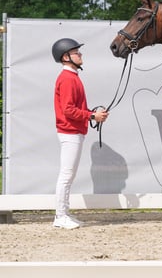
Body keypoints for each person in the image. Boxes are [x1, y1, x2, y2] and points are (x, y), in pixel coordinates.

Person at [51, 38, 109, 229]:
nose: (80, 55)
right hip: (70, 131)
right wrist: (92, 116)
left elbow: (74, 108)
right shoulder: (68, 79)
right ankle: (60, 216)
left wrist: (93, 114)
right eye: (76, 53)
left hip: (73, 131)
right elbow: (68, 110)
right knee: (67, 175)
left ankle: (64, 214)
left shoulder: (72, 77)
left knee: (68, 175)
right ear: (66, 57)